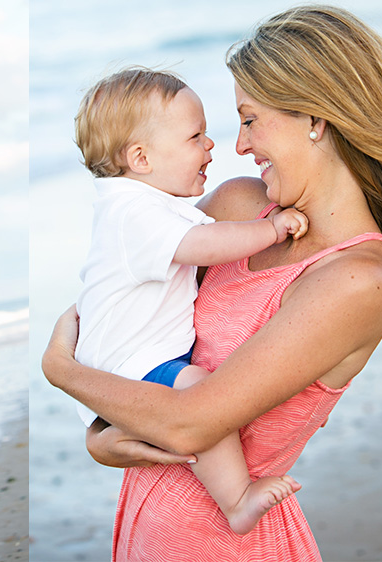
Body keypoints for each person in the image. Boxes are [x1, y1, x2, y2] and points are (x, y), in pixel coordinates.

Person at [43, 5, 382, 561]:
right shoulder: (238, 206)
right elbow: (116, 308)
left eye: (250, 119)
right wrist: (100, 438)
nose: (238, 146)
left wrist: (62, 372)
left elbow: (187, 426)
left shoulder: (356, 280)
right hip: (146, 527)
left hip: (228, 544)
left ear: (315, 118)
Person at [73, 67, 307, 534]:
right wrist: (270, 229)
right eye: (195, 136)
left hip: (128, 361)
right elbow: (202, 245)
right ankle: (236, 499)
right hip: (130, 365)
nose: (212, 145)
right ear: (140, 157)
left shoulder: (141, 206)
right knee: (201, 393)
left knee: (197, 392)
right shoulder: (132, 211)